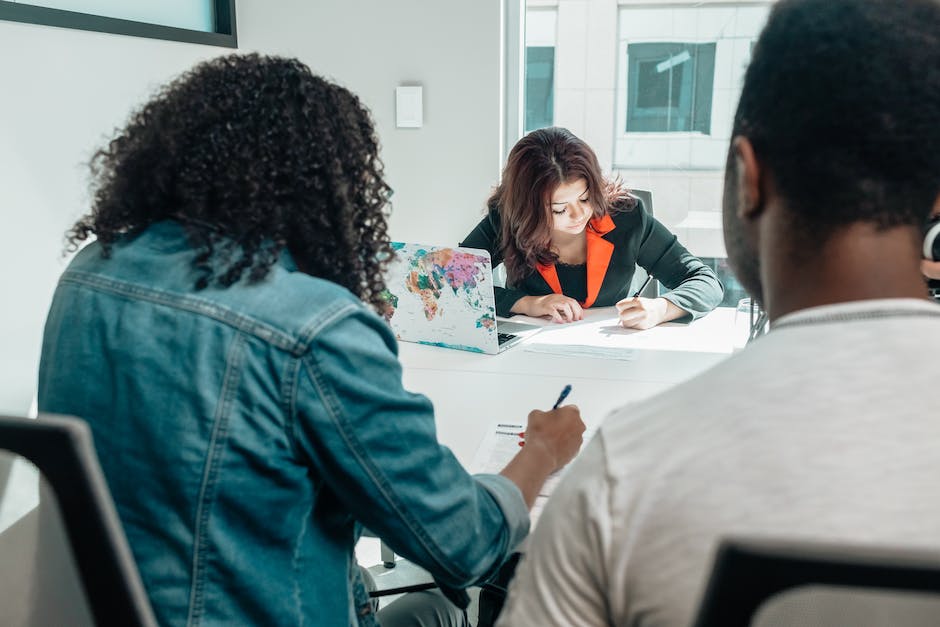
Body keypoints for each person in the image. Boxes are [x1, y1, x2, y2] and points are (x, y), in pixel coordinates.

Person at [36, 54, 585, 627]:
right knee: (436, 609)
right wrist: (542, 449)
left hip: (122, 606)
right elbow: (465, 544)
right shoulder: (315, 326)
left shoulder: (89, 272)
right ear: (327, 186)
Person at [497, 0, 940, 625]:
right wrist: (526, 300)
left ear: (746, 176)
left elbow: (696, 280)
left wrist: (661, 307)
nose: (572, 217)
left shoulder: (623, 471)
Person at [460, 127, 723, 327]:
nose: (579, 214)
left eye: (585, 198)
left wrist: (661, 309)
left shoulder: (626, 217)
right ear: (527, 210)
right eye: (559, 209)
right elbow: (451, 281)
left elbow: (705, 281)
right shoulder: (506, 219)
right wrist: (528, 303)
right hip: (528, 356)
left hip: (611, 353)